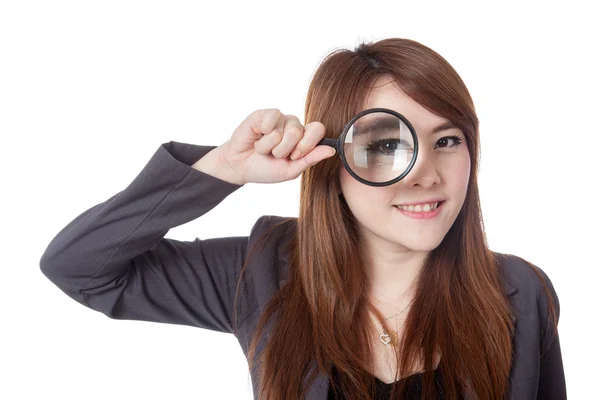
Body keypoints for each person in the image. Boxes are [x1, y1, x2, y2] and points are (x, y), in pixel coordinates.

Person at [39, 38, 566, 400]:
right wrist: (222, 169)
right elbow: (81, 267)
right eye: (386, 145)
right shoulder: (263, 271)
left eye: (447, 141)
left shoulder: (520, 293)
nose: (424, 174)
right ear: (334, 156)